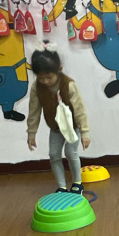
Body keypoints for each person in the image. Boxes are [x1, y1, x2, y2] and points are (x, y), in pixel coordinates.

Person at [27, 47, 91, 193]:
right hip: (55, 128)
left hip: (72, 127)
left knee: (70, 152)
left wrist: (85, 132)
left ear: (59, 69)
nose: (45, 81)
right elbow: (34, 111)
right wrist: (31, 133)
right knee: (54, 155)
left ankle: (77, 183)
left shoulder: (69, 85)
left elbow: (80, 110)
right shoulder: (37, 88)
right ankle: (61, 186)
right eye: (41, 77)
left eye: (49, 77)